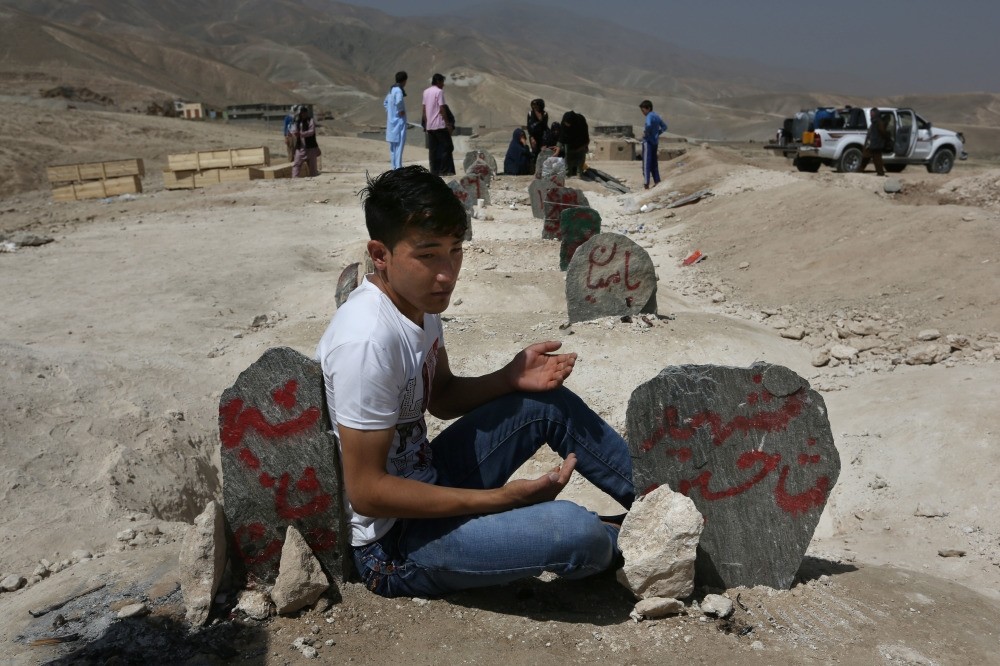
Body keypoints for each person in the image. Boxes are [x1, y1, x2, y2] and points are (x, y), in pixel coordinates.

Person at [315, 165, 634, 599]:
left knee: (546, 404)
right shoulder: (367, 340)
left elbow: (442, 397)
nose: (447, 273)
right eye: (427, 255)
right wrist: (503, 500)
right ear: (380, 253)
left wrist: (510, 377)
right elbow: (369, 492)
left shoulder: (418, 306)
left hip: (431, 478)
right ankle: (648, 543)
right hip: (394, 545)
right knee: (577, 532)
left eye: (455, 250)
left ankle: (666, 503)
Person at [421, 73, 454, 177]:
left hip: (430, 126)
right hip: (439, 125)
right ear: (439, 82)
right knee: (448, 147)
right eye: (442, 82)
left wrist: (426, 124)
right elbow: (442, 108)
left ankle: (433, 172)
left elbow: (424, 109)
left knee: (433, 150)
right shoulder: (439, 92)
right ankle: (443, 170)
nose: (443, 85)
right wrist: (447, 124)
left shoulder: (426, 92)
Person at [639, 100, 668, 189]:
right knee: (654, 163)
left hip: (648, 143)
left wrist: (646, 133)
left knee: (646, 164)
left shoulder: (649, 116)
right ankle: (657, 181)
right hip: (655, 142)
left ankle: (646, 183)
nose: (643, 113)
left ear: (648, 108)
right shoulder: (657, 116)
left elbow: (648, 125)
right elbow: (664, 127)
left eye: (643, 111)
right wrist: (657, 133)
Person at [384, 71, 408, 170]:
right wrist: (400, 110)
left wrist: (390, 111)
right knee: (399, 145)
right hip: (399, 122)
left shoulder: (391, 90)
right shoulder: (398, 90)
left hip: (391, 123)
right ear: (404, 80)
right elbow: (398, 101)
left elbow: (385, 103)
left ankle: (393, 166)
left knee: (393, 146)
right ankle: (398, 167)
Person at [290, 105, 321, 178]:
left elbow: (311, 131)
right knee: (297, 164)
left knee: (313, 167)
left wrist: (301, 134)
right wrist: (294, 133)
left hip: (311, 147)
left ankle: (314, 180)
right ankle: (294, 179)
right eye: (301, 113)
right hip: (300, 147)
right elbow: (293, 130)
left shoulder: (310, 121)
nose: (303, 114)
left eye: (304, 113)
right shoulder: (297, 122)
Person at [559, 110, 589, 177]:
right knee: (568, 156)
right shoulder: (564, 122)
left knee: (580, 157)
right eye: (566, 123)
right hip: (568, 141)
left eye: (569, 124)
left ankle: (579, 173)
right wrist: (559, 146)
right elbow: (562, 136)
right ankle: (568, 173)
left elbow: (585, 137)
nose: (567, 125)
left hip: (580, 141)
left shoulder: (581, 122)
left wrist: (583, 146)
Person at [863, 107, 889, 176]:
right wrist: (887, 137)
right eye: (871, 113)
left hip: (874, 143)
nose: (871, 114)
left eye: (872, 113)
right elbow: (883, 132)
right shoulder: (877, 122)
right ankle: (880, 173)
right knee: (875, 159)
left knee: (874, 159)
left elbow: (881, 132)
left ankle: (880, 173)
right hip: (875, 144)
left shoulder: (876, 122)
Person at [526, 98, 549, 169]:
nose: (535, 107)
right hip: (533, 136)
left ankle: (542, 168)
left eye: (536, 105)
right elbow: (529, 126)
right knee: (534, 152)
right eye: (533, 106)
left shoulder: (544, 114)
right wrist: (532, 137)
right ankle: (534, 168)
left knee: (542, 152)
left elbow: (544, 126)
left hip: (542, 136)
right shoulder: (530, 113)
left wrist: (545, 141)